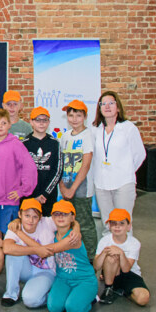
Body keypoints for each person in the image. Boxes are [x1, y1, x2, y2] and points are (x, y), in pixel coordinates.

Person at [92, 90, 146, 229]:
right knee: (107, 224)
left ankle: (125, 245)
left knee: (123, 224)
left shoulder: (128, 128)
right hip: (101, 183)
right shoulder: (96, 129)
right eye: (103, 104)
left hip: (123, 183)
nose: (107, 106)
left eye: (111, 103)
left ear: (118, 107)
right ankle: (108, 245)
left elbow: (140, 154)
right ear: (99, 108)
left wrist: (126, 170)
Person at [0, 108, 37, 237]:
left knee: (10, 237)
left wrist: (23, 190)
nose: (0, 126)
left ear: (9, 125)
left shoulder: (16, 144)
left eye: (4, 123)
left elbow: (29, 168)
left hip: (9, 200)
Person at [43, 200, 98, 312]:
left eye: (65, 214)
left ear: (72, 217)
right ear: (52, 217)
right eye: (57, 214)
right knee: (54, 308)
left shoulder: (73, 237)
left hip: (84, 280)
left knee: (74, 309)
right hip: (63, 279)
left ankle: (91, 298)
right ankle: (73, 296)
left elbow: (49, 250)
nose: (60, 217)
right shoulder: (53, 234)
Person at [59, 99, 98, 259]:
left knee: (84, 223)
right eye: (71, 115)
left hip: (81, 190)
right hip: (66, 188)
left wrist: (73, 189)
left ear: (85, 117)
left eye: (78, 115)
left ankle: (90, 259)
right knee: (67, 223)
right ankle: (73, 255)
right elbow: (61, 163)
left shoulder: (88, 135)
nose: (74, 119)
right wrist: (62, 187)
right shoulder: (65, 136)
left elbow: (86, 164)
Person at [1, 198, 58, 308]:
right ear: (20, 214)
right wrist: (36, 250)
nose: (30, 220)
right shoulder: (16, 227)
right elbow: (7, 248)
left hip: (46, 271)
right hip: (27, 270)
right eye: (27, 216)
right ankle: (11, 294)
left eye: (35, 217)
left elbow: (70, 221)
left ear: (40, 217)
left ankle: (49, 295)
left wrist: (76, 228)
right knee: (13, 253)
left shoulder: (47, 222)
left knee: (30, 301)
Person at [94, 208, 150, 306]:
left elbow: (126, 269)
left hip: (130, 274)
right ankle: (108, 288)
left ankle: (123, 292)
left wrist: (121, 253)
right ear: (109, 226)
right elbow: (96, 266)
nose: (117, 226)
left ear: (129, 226)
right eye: (114, 223)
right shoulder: (104, 241)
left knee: (143, 299)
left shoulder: (134, 243)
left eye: (122, 223)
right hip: (112, 274)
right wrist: (104, 253)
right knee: (111, 257)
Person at [22, 107, 62, 216]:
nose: (41, 123)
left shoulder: (55, 143)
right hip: (29, 196)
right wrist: (31, 194)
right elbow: (20, 172)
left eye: (45, 120)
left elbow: (57, 171)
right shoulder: (24, 144)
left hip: (48, 197)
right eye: (37, 120)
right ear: (31, 122)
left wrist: (45, 193)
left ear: (48, 122)